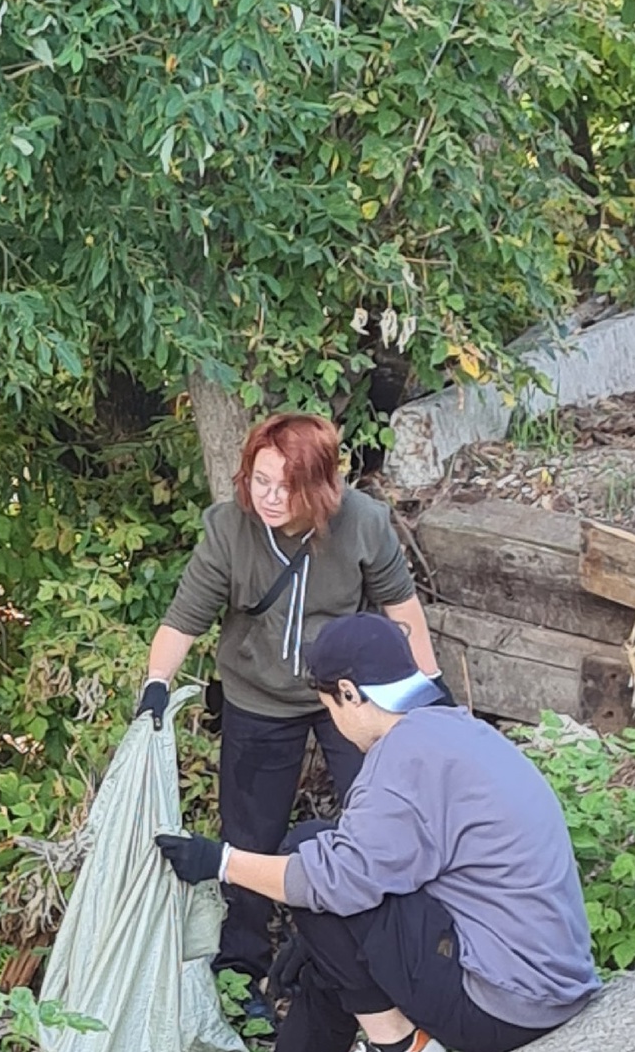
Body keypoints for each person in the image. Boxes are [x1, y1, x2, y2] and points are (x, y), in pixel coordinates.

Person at [155, 612, 598, 1052]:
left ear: (348, 693)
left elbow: (335, 879)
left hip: (502, 1006)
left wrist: (220, 862)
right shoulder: (456, 730)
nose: (336, 726)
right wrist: (320, 942)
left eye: (329, 708)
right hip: (547, 982)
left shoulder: (403, 756)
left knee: (311, 853)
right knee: (324, 953)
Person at [137, 413, 443, 1009]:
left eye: (287, 486)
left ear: (321, 486)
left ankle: (385, 948)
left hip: (348, 698)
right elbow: (183, 620)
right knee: (249, 834)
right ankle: (242, 969)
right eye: (260, 481)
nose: (270, 498)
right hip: (257, 696)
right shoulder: (229, 529)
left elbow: (402, 611)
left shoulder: (363, 523)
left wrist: (427, 692)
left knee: (379, 815)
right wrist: (155, 684)